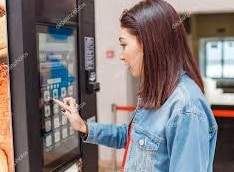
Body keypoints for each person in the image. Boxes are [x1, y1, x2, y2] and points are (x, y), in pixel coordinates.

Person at [53, 0, 218, 171]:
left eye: (124, 45)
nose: (121, 56)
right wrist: (84, 127)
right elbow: (131, 137)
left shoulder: (186, 108)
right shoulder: (157, 91)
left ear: (149, 44)